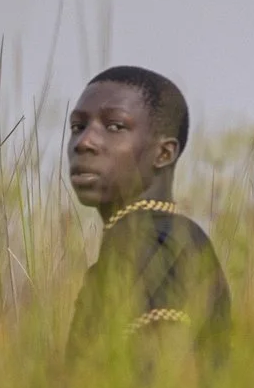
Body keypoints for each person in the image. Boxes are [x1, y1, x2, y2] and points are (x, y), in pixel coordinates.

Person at [63, 66, 232, 357]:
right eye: (78, 127)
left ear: (163, 153)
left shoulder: (157, 242)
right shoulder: (150, 237)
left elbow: (162, 375)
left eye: (115, 126)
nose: (84, 142)